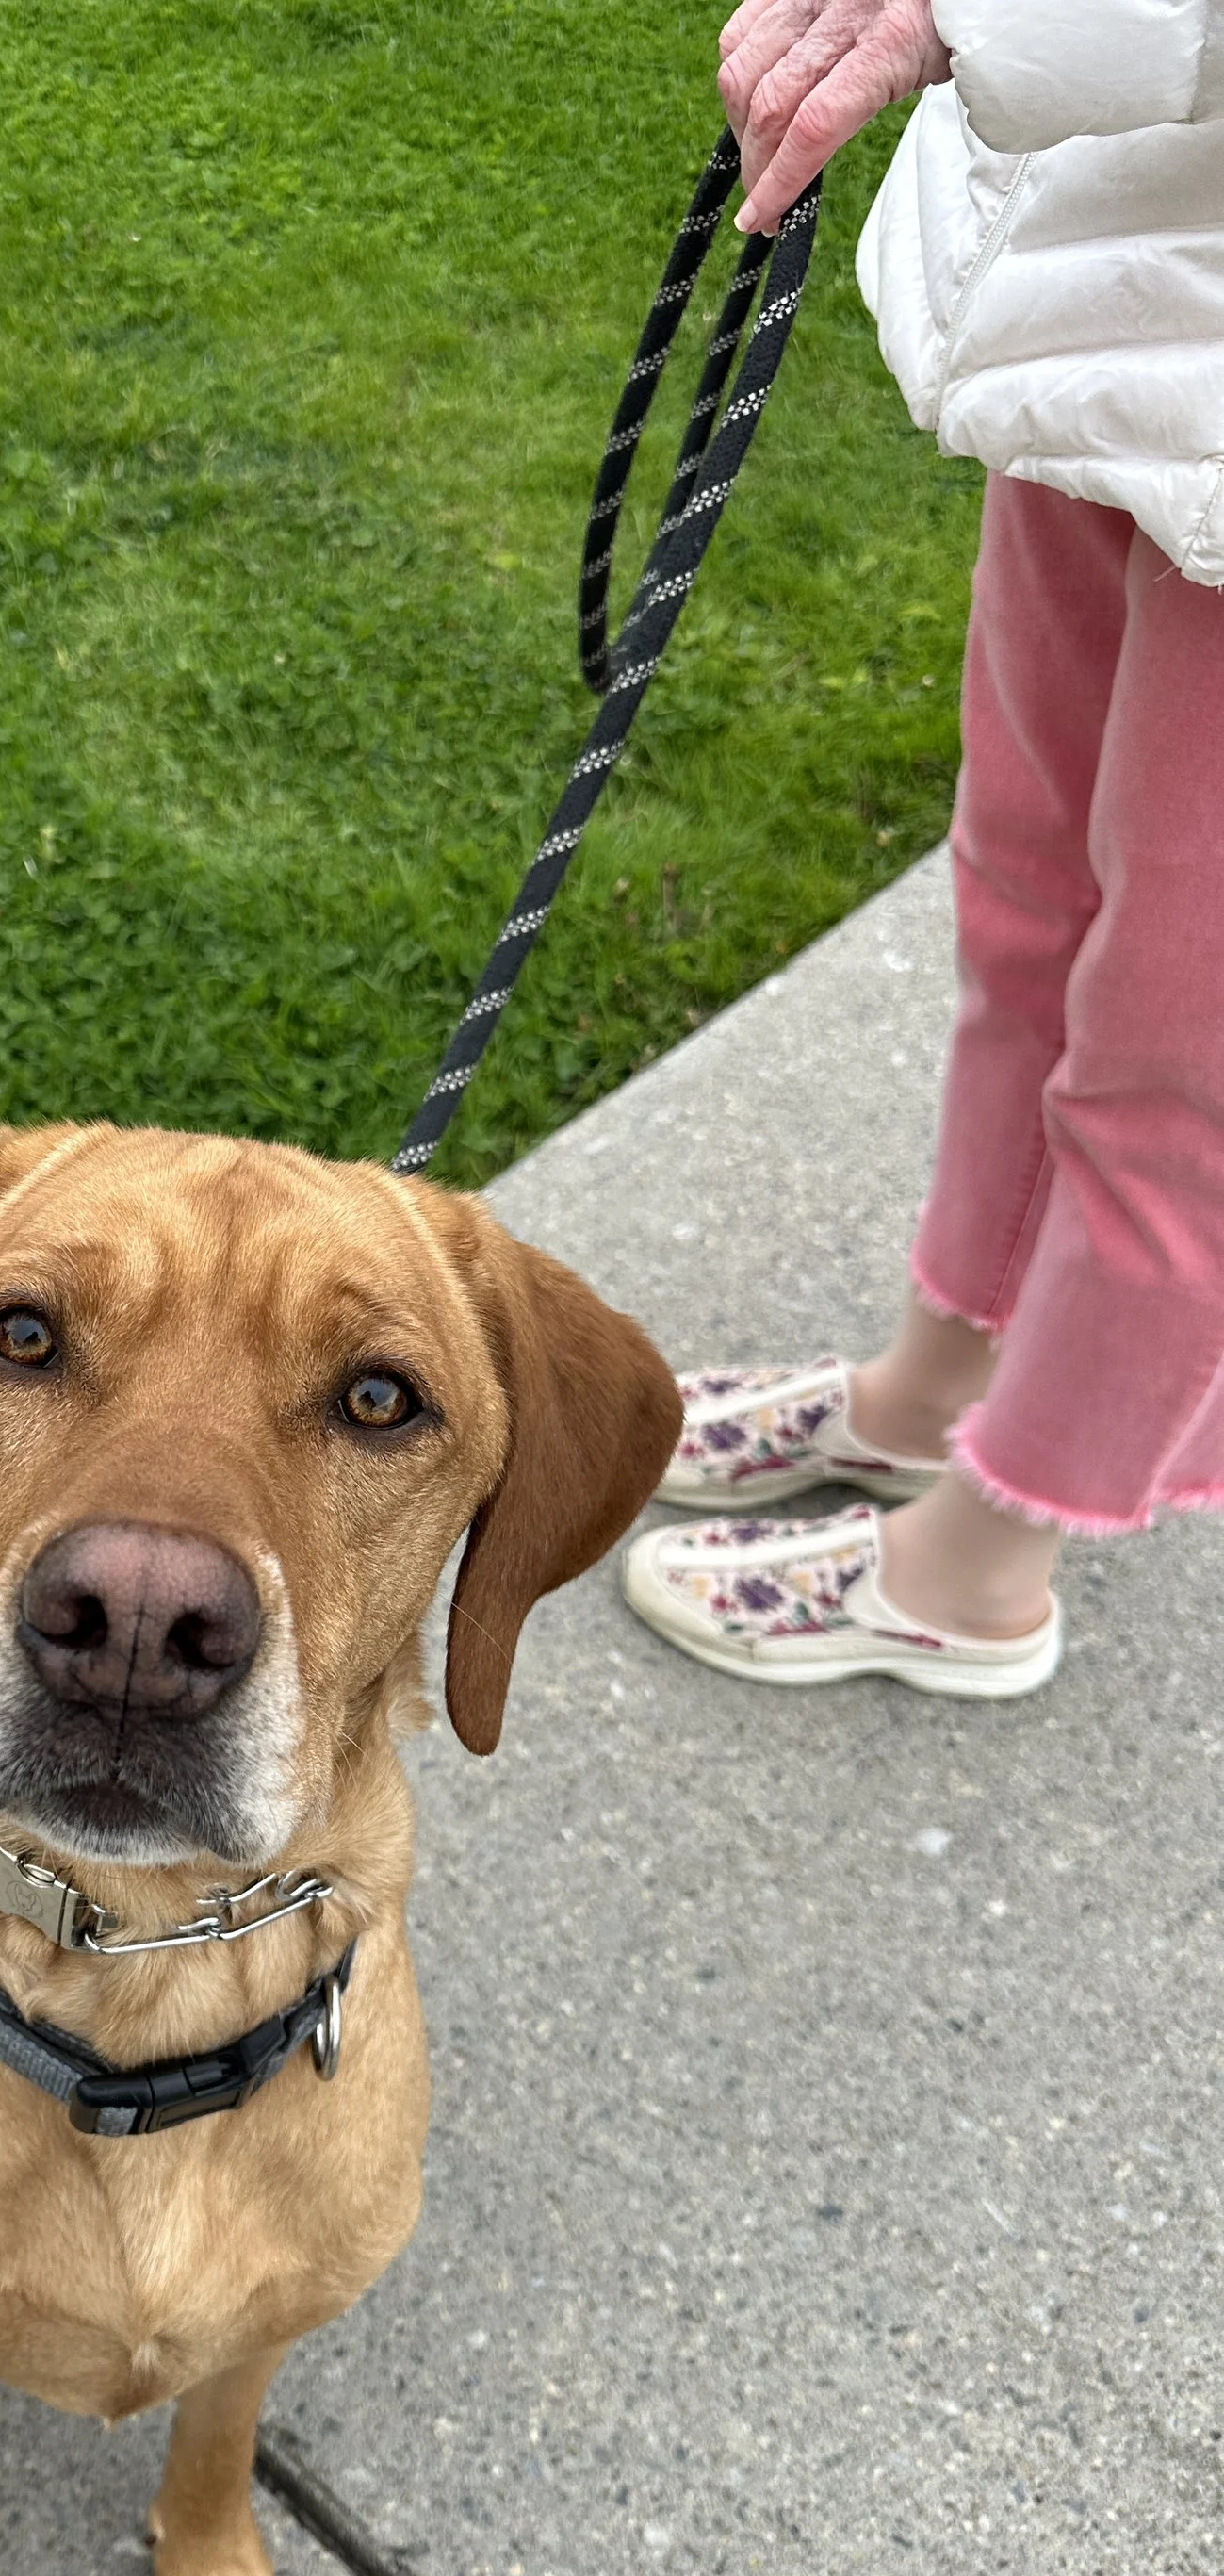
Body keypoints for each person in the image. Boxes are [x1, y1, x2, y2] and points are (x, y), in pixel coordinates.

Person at [620, 0, 1224, 1698]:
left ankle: (984, 1564)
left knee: (1185, 1049)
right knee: (1027, 897)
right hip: (1120, 269)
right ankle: (934, 1387)